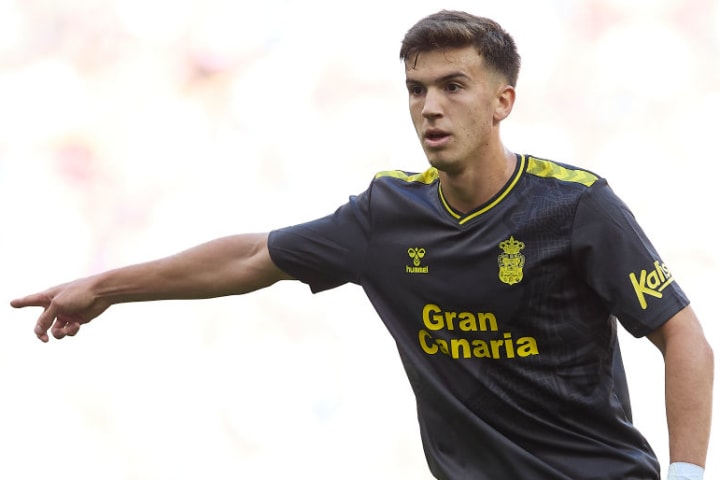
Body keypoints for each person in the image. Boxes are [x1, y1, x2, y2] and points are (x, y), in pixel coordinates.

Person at [11, 10, 713, 480]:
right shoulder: (387, 215)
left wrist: (684, 476)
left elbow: (682, 335)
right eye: (416, 89)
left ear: (502, 101)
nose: (430, 106)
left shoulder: (577, 205)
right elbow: (252, 256)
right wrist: (105, 286)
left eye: (453, 86)